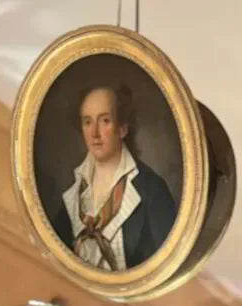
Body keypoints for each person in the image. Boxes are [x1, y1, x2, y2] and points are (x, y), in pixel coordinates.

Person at [50, 83, 177, 272]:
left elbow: (166, 266)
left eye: (105, 121)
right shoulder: (75, 190)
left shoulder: (152, 190)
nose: (94, 133)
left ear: (122, 128)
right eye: (87, 122)